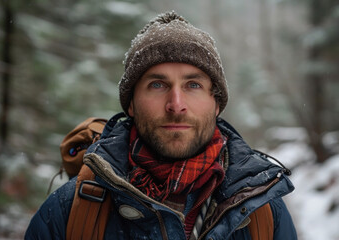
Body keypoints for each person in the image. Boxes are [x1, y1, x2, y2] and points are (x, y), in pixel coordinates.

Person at [25, 11, 297, 239]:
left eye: (193, 85)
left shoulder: (261, 212)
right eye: (157, 84)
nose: (176, 104)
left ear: (216, 103)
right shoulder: (69, 211)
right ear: (131, 103)